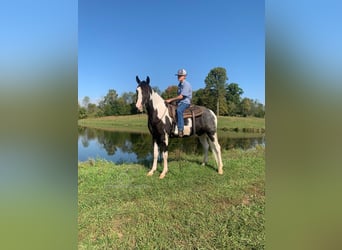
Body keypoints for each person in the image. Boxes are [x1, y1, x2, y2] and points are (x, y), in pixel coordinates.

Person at [165, 69, 192, 137]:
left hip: (185, 102)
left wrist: (170, 100)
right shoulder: (179, 85)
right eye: (178, 75)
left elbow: (181, 96)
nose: (179, 77)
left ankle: (180, 129)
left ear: (184, 76)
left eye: (180, 75)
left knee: (179, 110)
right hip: (180, 102)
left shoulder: (186, 84)